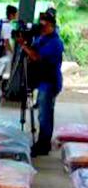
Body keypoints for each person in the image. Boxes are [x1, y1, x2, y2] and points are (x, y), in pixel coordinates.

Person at [20, 10, 64, 156]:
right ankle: (42, 142)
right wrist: (27, 41)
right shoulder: (42, 38)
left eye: (44, 26)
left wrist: (24, 46)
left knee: (44, 115)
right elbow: (33, 52)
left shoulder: (55, 42)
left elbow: (36, 57)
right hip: (42, 80)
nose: (42, 28)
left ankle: (43, 145)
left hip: (50, 82)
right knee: (42, 114)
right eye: (41, 25)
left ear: (51, 26)